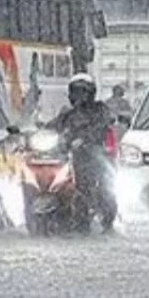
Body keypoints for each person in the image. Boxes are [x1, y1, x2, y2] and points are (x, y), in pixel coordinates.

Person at [44, 73, 117, 232]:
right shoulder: (68, 114)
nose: (79, 96)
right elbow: (53, 125)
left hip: (93, 153)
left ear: (91, 93)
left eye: (83, 92)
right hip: (69, 154)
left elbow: (103, 124)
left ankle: (96, 211)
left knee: (98, 179)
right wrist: (33, 132)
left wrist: (84, 139)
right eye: (75, 92)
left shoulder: (100, 109)